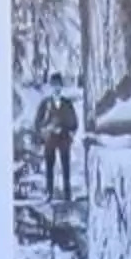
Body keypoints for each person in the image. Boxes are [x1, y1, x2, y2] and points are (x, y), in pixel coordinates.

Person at [32, 71, 81, 204]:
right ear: (50, 86)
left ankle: (67, 193)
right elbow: (37, 122)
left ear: (61, 86)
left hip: (64, 138)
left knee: (66, 166)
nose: (56, 88)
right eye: (54, 85)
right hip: (50, 139)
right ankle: (49, 193)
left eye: (58, 85)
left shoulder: (67, 103)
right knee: (49, 166)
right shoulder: (45, 104)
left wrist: (70, 132)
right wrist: (44, 131)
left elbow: (74, 122)